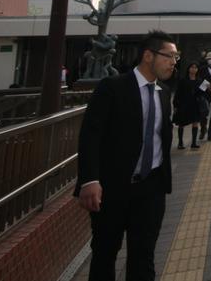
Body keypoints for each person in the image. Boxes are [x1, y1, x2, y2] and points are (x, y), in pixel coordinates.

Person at [74, 29, 177, 281]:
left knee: (144, 256)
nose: (174, 62)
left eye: (176, 57)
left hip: (151, 189)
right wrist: (90, 179)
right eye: (169, 56)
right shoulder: (113, 87)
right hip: (113, 189)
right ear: (148, 56)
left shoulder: (164, 93)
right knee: (105, 254)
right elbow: (91, 135)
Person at [173, 61, 204, 150]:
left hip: (195, 104)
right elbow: (178, 93)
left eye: (195, 67)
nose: (193, 69)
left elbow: (201, 94)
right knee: (181, 123)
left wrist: (206, 87)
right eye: (192, 67)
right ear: (188, 69)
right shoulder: (183, 80)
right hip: (184, 104)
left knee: (195, 122)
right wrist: (175, 105)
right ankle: (180, 143)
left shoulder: (199, 80)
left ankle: (194, 143)